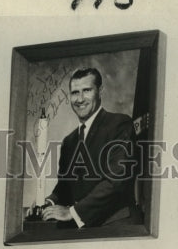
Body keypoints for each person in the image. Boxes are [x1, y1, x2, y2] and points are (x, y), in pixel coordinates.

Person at [42, 67, 141, 228]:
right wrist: (49, 202)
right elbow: (66, 185)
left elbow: (116, 182)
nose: (80, 99)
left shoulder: (120, 125)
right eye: (75, 93)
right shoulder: (69, 141)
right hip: (87, 228)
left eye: (86, 90)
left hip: (118, 225)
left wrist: (72, 212)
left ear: (100, 91)